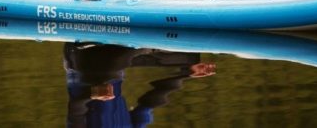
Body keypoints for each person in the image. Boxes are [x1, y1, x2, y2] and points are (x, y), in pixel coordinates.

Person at [64, 43, 216, 128]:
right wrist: (187, 74)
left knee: (111, 71)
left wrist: (91, 93)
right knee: (188, 58)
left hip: (80, 62)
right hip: (114, 66)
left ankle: (137, 42)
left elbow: (75, 110)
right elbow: (151, 101)